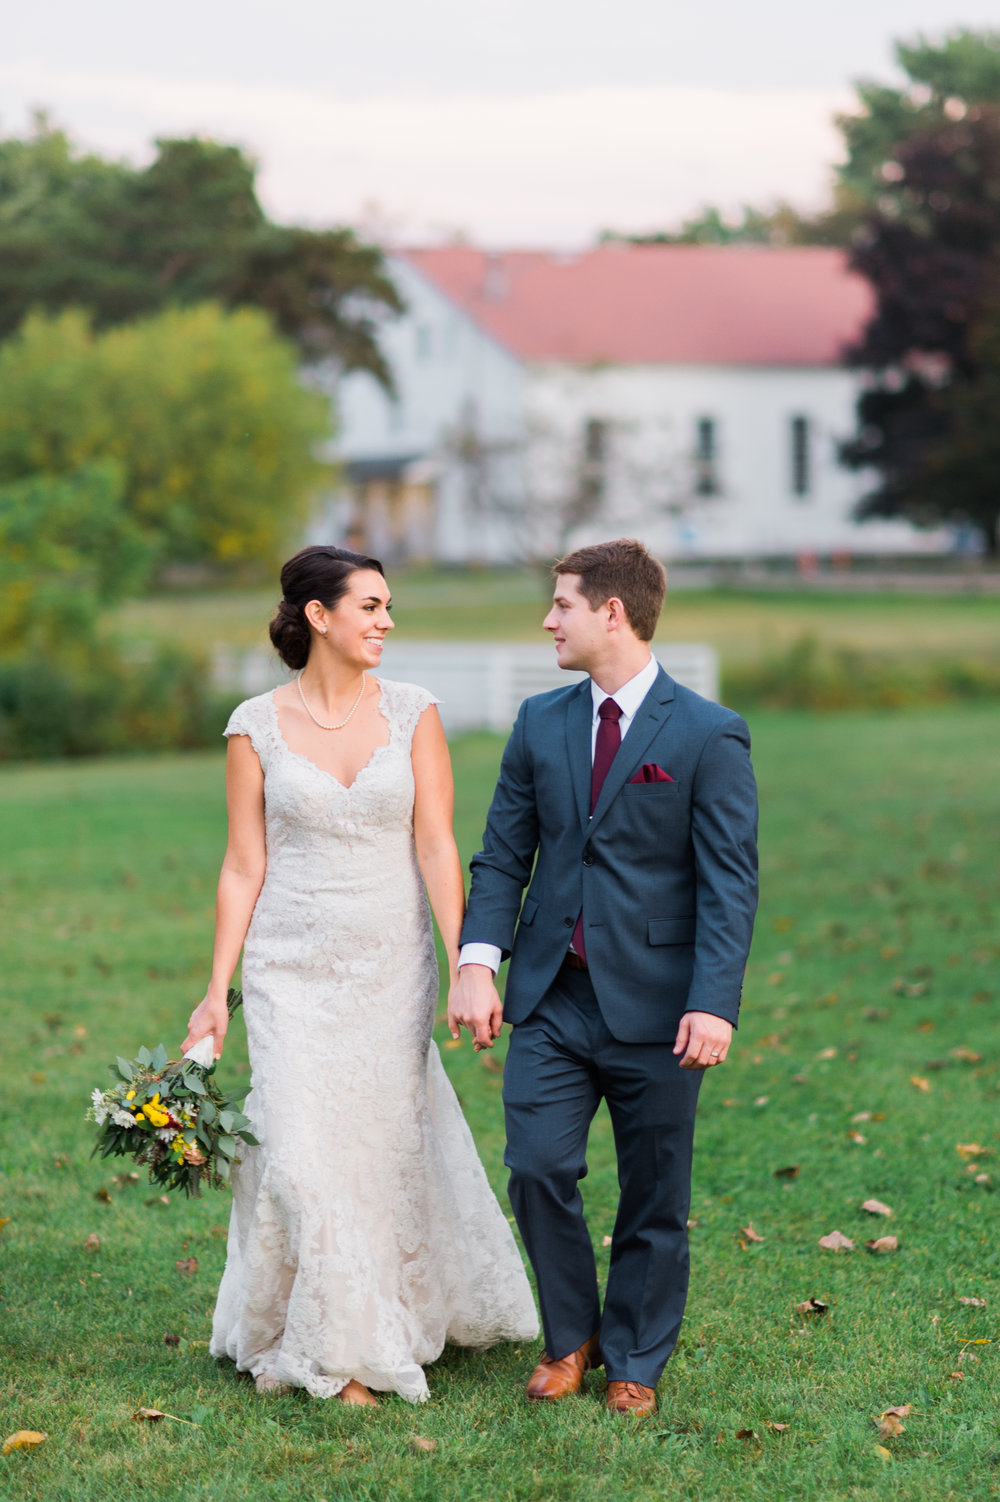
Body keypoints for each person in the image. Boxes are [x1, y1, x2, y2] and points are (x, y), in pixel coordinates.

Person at [182, 545, 537, 1406]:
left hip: (390, 964)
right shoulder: (254, 725)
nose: (385, 621)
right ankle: (338, 1349)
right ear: (318, 616)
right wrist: (213, 992)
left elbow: (437, 844)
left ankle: (373, 1321)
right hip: (288, 970)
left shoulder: (415, 713)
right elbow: (241, 865)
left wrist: (466, 965)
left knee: (377, 1150)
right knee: (301, 1154)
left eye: (387, 607)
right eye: (370, 606)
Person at [449, 539, 758, 1417]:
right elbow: (504, 856)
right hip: (550, 998)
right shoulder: (539, 722)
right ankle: (570, 1339)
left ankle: (636, 1359)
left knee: (655, 1193)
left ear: (612, 613)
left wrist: (712, 1001)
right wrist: (479, 962)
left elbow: (730, 882)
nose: (548, 619)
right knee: (538, 1168)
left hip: (661, 1007)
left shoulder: (707, 733)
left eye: (562, 605)